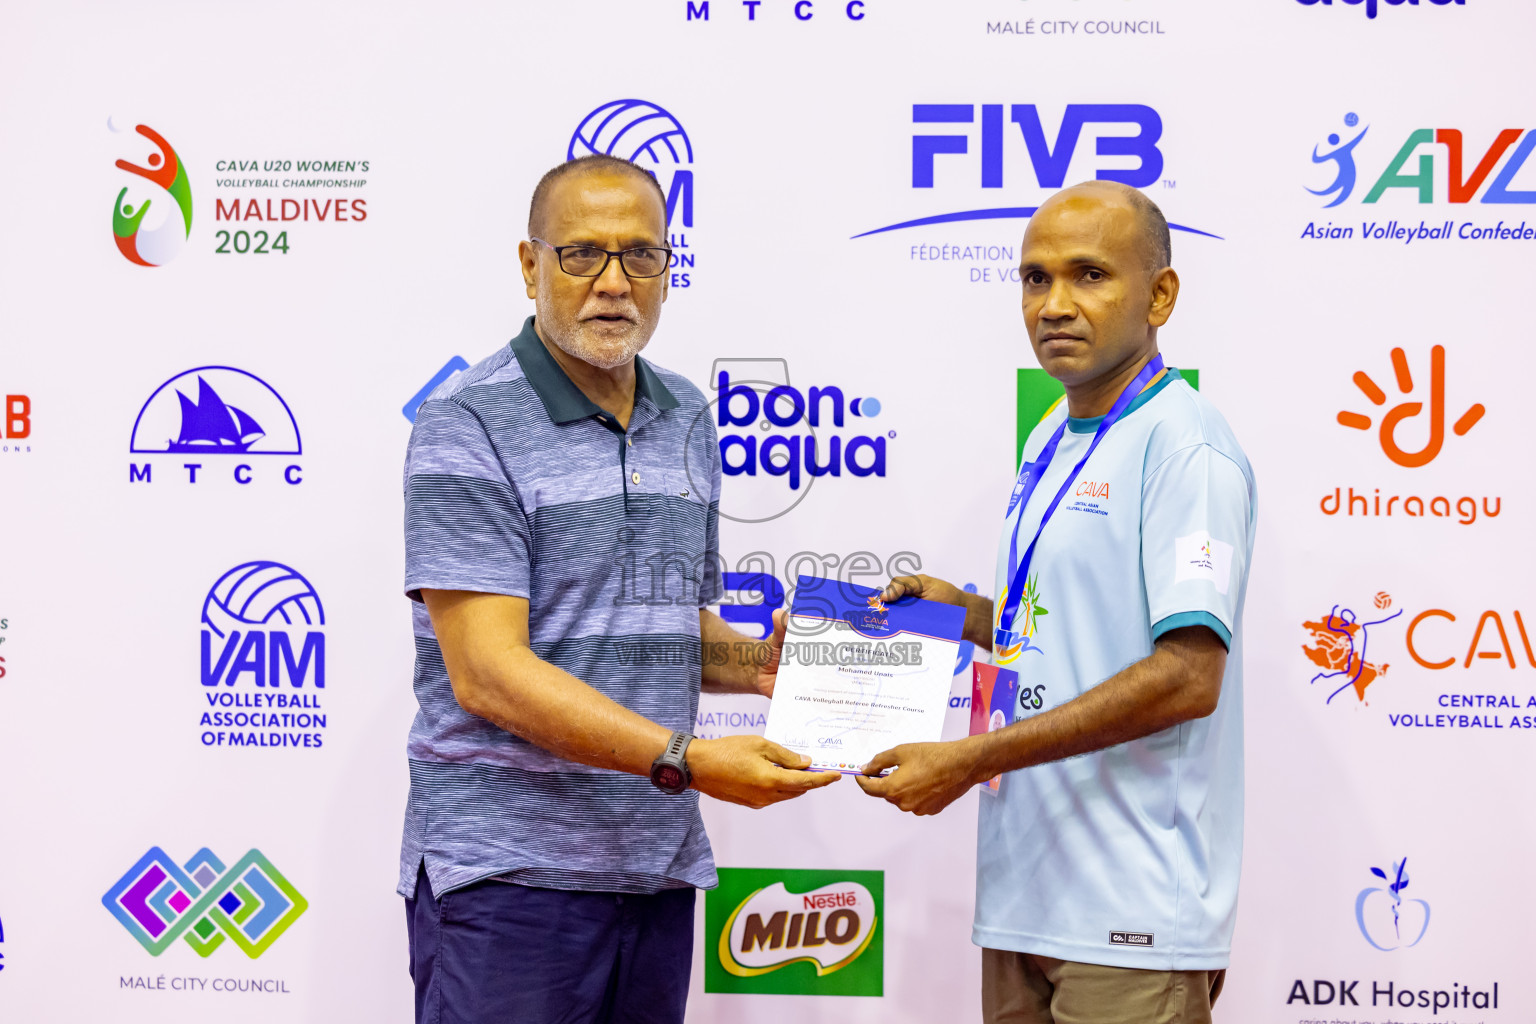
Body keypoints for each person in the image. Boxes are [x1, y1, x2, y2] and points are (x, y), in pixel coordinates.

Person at [398, 154, 839, 1024]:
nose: (613, 283)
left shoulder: (687, 413)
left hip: (654, 869)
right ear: (530, 266)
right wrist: (685, 759)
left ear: (668, 268)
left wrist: (765, 663)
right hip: (508, 878)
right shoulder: (467, 424)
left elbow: (665, 625)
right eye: (581, 255)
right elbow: (486, 672)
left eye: (640, 255)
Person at [857, 181, 1257, 1024]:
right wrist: (961, 613)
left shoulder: (1188, 446)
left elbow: (1189, 676)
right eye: (1035, 280)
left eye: (1089, 275)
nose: (1055, 305)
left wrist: (973, 758)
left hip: (1131, 914)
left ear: (1161, 295)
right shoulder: (1051, 433)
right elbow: (1070, 624)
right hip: (1026, 897)